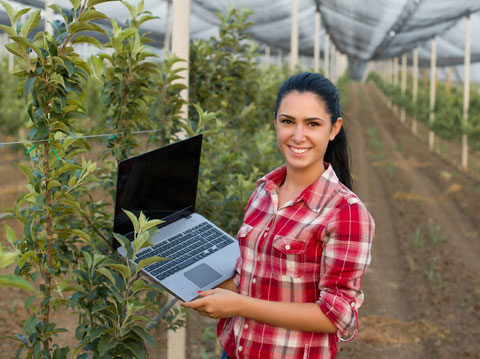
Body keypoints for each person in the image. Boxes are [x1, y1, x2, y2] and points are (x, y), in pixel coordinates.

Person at [182, 72, 375, 359]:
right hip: (233, 351)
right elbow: (252, 278)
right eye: (288, 122)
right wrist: (190, 277)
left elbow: (335, 316)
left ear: (334, 129)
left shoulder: (346, 213)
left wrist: (238, 305)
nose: (298, 136)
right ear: (275, 121)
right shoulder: (263, 191)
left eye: (312, 124)